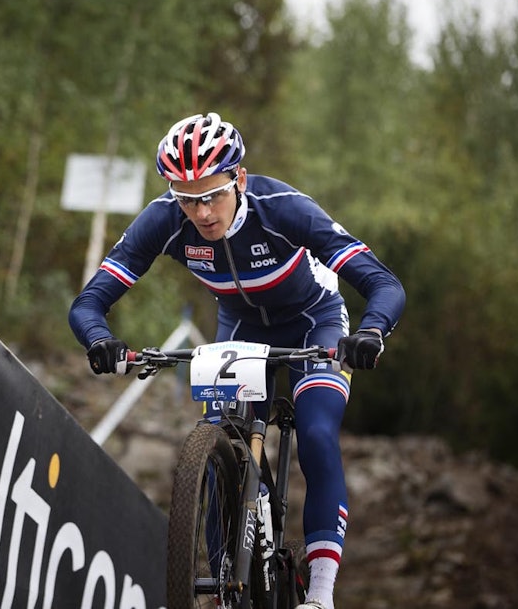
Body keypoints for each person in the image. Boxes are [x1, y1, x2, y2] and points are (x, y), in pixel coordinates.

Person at [68, 112, 405, 609]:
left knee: (314, 433)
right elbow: (88, 303)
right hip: (242, 328)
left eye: (212, 194)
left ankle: (321, 591)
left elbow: (384, 283)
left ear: (239, 180)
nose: (201, 212)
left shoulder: (285, 210)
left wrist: (372, 331)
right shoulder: (164, 219)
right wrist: (101, 340)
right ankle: (230, 583)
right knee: (220, 443)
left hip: (316, 321)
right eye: (187, 197)